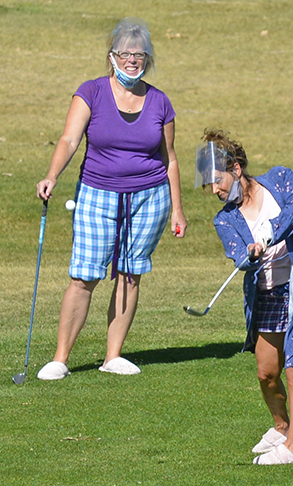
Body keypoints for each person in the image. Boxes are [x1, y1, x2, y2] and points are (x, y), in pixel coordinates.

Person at [35, 18, 187, 380]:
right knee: (84, 276)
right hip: (97, 194)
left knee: (130, 274)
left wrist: (177, 209)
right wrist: (52, 175)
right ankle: (60, 359)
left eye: (139, 54)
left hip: (149, 198)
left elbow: (170, 158)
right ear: (112, 56)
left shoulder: (160, 102)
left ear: (147, 59)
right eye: (125, 53)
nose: (132, 60)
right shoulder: (91, 92)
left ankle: (113, 356)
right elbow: (69, 140)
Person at [195, 129, 293, 465]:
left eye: (217, 180)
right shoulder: (225, 219)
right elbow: (239, 257)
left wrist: (269, 231)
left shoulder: (280, 179)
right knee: (267, 373)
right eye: (208, 184)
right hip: (270, 292)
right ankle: (281, 426)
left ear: (235, 169)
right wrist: (249, 254)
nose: (214, 190)